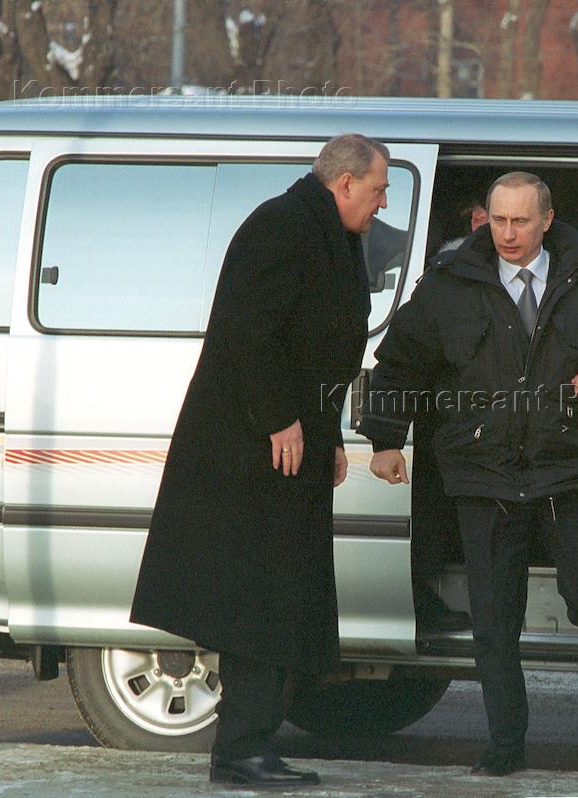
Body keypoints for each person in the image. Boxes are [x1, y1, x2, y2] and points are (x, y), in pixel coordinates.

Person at [358, 172, 578, 777]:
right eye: (498, 220)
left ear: (547, 220)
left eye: (521, 221)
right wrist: (387, 440)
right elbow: (399, 360)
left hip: (570, 466)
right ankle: (505, 744)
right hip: (484, 473)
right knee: (494, 624)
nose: (507, 233)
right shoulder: (452, 282)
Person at [129, 134, 390, 789]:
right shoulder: (282, 226)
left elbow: (319, 346)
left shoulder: (328, 233)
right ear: (345, 183)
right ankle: (240, 748)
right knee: (260, 601)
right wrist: (279, 418)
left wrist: (328, 437)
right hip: (249, 454)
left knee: (283, 599)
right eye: (378, 189)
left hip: (289, 451)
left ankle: (251, 743)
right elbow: (247, 332)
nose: (382, 203)